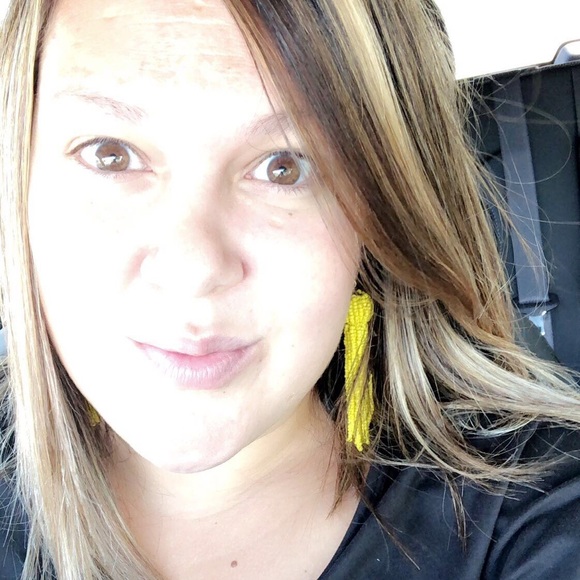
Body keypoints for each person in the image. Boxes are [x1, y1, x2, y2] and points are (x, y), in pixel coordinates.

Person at [1, 0, 580, 578]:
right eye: (110, 155)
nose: (192, 267)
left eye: (285, 167)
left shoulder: (535, 515)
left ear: (377, 217)